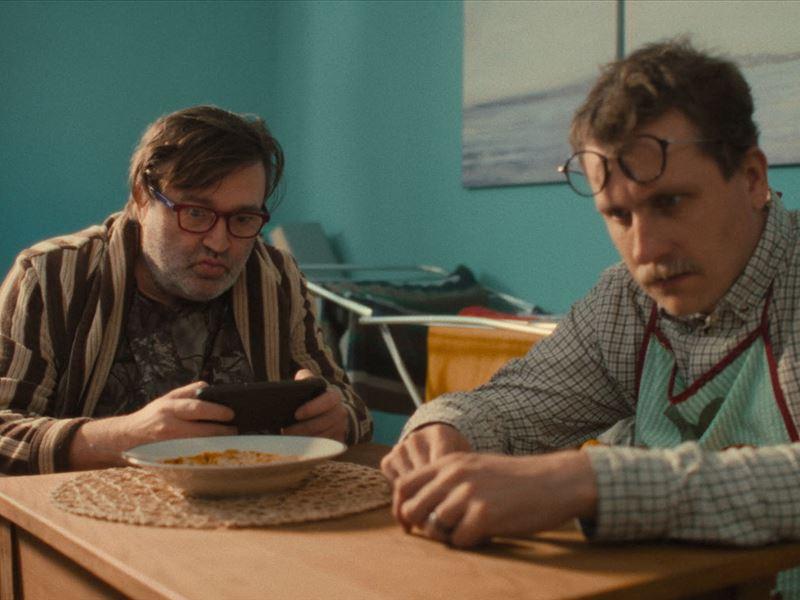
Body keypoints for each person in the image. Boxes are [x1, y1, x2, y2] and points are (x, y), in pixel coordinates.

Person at [381, 39, 800, 597]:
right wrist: (445, 430)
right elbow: (516, 405)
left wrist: (590, 481)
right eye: (619, 215)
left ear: (751, 178)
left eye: (671, 202)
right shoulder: (625, 300)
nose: (644, 250)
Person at [0, 105, 371, 475]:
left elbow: (353, 411)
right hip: (86, 507)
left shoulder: (274, 276)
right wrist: (127, 437)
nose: (219, 242)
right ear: (142, 197)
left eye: (243, 218)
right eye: (195, 213)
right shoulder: (52, 275)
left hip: (256, 502)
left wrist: (336, 418)